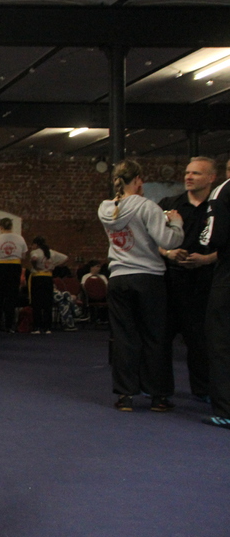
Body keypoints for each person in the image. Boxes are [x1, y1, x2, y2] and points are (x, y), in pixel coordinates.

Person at [98, 160, 184, 412]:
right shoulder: (148, 206)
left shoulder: (105, 208)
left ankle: (125, 395)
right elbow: (169, 240)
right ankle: (158, 396)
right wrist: (175, 222)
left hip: (118, 278)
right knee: (154, 337)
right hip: (148, 277)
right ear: (137, 180)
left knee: (124, 337)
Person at [158, 157, 217, 401]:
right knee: (162, 337)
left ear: (211, 178)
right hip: (170, 280)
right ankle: (159, 389)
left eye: (196, 173)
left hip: (204, 281)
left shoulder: (218, 208)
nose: (189, 177)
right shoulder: (169, 204)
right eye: (187, 173)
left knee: (199, 340)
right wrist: (168, 253)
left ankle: (202, 390)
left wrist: (206, 259)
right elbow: (150, 239)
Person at [201, 158, 230, 429]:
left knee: (221, 344)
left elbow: (212, 238)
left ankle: (226, 411)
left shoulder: (223, 191)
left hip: (227, 279)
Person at [0, 217, 27, 332]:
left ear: (0, 227)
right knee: (11, 296)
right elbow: (24, 255)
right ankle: (9, 325)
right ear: (11, 226)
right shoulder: (20, 239)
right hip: (14, 266)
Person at [28, 237, 67, 334]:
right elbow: (65, 258)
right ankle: (47, 327)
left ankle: (37, 327)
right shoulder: (51, 252)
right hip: (48, 278)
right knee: (47, 302)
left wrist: (35, 266)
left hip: (37, 277)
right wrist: (53, 265)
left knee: (37, 302)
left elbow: (34, 258)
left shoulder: (35, 252)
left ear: (36, 244)